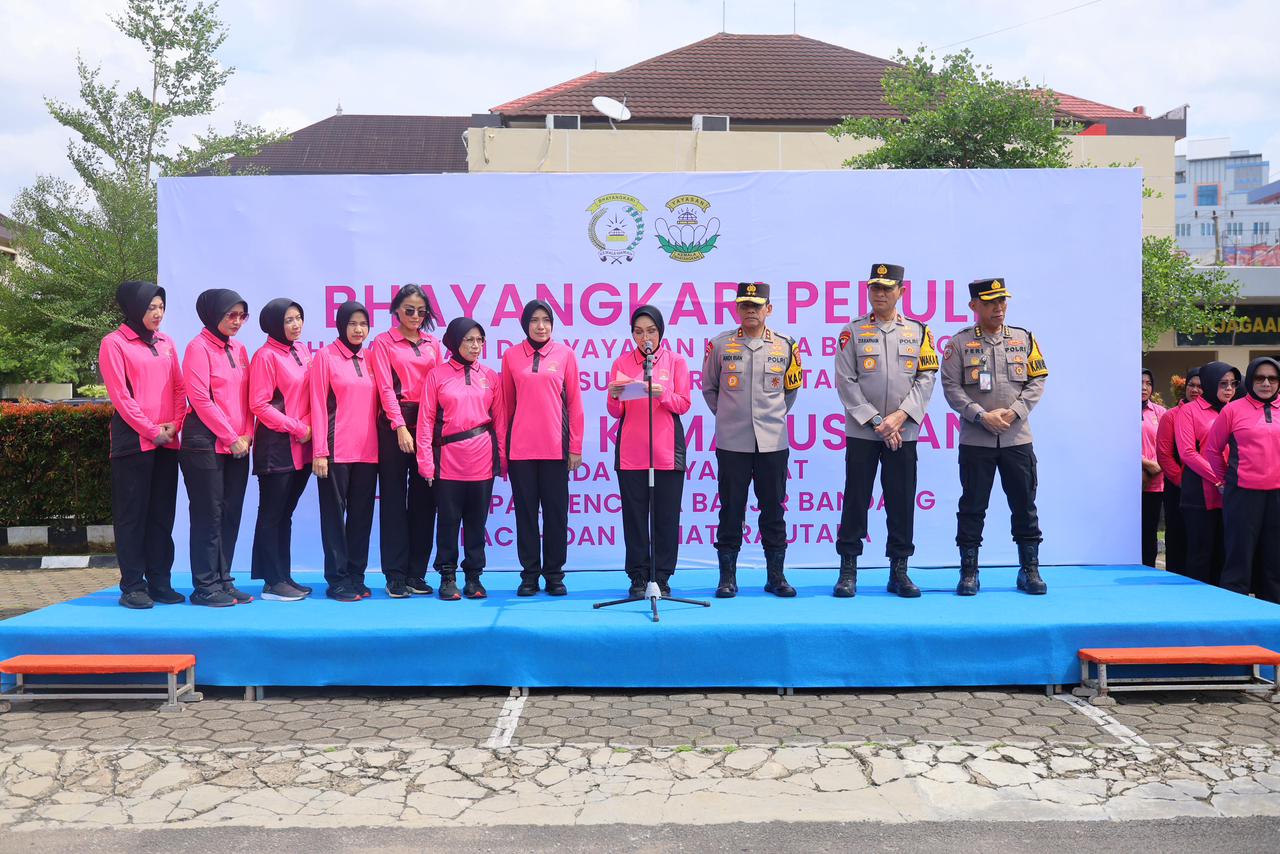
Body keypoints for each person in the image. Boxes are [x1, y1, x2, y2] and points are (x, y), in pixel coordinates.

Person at [833, 263, 940, 598]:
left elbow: (926, 378)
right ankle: (848, 570)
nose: (879, 294)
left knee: (901, 500)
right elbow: (845, 381)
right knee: (855, 499)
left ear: (901, 292)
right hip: (865, 432)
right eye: (874, 288)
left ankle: (900, 571)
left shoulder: (920, 331)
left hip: (903, 432)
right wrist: (878, 421)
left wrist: (900, 417)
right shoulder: (852, 331)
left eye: (886, 288)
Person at [940, 278, 1049, 595]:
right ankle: (969, 572)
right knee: (972, 507)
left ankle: (1030, 569)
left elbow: (1037, 381)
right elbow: (951, 388)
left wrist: (1014, 411)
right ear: (974, 306)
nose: (998, 308)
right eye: (990, 303)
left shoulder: (1024, 339)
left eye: (1002, 301)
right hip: (977, 440)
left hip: (1017, 439)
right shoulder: (958, 344)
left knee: (1025, 505)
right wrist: (980, 415)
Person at [702, 281, 803, 598]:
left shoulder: (786, 345)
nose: (750, 311)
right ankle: (727, 578)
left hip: (773, 442)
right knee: (731, 509)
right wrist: (732, 417)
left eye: (756, 306)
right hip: (733, 442)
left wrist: (767, 417)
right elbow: (710, 388)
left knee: (774, 510)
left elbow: (791, 389)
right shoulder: (720, 345)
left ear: (768, 309)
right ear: (737, 309)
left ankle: (776, 576)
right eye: (744, 305)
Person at [99, 281, 186, 609]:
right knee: (132, 516)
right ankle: (133, 585)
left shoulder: (167, 342)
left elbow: (179, 388)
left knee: (162, 515)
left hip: (167, 442)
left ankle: (160, 581)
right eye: (151, 307)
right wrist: (151, 430)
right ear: (135, 308)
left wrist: (175, 424)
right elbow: (121, 396)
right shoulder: (114, 343)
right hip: (133, 443)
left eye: (161, 307)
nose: (158, 313)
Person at [417, 317, 505, 601]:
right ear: (454, 342)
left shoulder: (491, 376)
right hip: (448, 461)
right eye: (469, 340)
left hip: (482, 459)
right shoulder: (437, 375)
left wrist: (502, 459)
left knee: (477, 523)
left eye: (480, 340)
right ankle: (447, 576)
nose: (476, 346)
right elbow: (425, 421)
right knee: (448, 522)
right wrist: (426, 461)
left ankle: (474, 577)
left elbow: (500, 421)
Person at [606, 305, 692, 597]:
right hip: (632, 453)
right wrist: (616, 395)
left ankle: (663, 578)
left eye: (651, 331)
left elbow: (683, 403)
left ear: (660, 332)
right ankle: (638, 577)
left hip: (667, 453)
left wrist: (662, 393)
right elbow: (615, 411)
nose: (646, 337)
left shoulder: (675, 361)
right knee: (634, 519)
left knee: (666, 518)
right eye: (639, 332)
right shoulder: (622, 362)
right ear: (632, 334)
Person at [501, 299, 584, 597]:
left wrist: (575, 446)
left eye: (546, 320)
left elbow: (574, 404)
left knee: (556, 514)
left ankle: (554, 574)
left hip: (555, 449)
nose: (541, 326)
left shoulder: (565, 355)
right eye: (535, 320)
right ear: (525, 324)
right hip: (521, 450)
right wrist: (503, 450)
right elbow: (506, 407)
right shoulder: (511, 356)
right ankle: (529, 575)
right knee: (525, 514)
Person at [180, 289, 254, 607]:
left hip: (238, 444)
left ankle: (223, 579)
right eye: (230, 315)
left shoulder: (239, 349)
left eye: (241, 315)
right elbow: (200, 399)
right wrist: (230, 435)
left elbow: (250, 396)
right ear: (213, 315)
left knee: (230, 514)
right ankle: (205, 585)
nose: (236, 322)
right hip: (205, 444)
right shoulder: (197, 348)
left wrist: (248, 434)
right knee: (208, 515)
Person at [369, 285, 440, 598]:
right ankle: (395, 574)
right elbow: (385, 388)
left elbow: (439, 386)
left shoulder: (433, 344)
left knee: (426, 499)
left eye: (421, 311)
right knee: (395, 500)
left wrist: (429, 427)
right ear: (396, 310)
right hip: (394, 423)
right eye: (409, 310)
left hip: (428, 424)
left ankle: (417, 572)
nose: (415, 316)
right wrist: (399, 426)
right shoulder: (383, 343)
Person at [310, 300, 378, 602]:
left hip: (369, 452)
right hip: (336, 451)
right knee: (335, 518)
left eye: (363, 324)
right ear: (341, 325)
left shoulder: (372, 358)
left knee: (362, 517)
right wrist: (320, 451)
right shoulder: (325, 357)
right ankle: (337, 579)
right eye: (352, 323)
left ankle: (356, 575)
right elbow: (317, 405)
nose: (358, 329)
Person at [247, 298, 313, 601]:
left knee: (286, 513)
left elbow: (314, 392)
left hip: (302, 445)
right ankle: (271, 582)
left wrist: (309, 426)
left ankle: (283, 575)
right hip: (277, 445)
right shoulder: (265, 356)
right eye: (288, 320)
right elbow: (259, 404)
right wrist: (298, 428)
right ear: (274, 324)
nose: (296, 324)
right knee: (272, 513)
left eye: (298, 318)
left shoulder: (302, 350)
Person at [1204, 356, 1280, 603]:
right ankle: (1233, 613)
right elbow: (1213, 449)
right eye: (1259, 377)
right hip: (1243, 493)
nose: (1266, 383)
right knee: (1238, 557)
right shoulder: (1233, 409)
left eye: (1272, 378)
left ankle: (1272, 614)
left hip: (1277, 495)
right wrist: (1223, 479)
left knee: (1275, 558)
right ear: (1250, 379)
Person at [1175, 360, 1240, 586]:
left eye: (1233, 384)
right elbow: (1187, 452)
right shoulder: (1189, 411)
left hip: (1233, 491)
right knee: (1201, 555)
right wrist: (1218, 478)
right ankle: (1197, 611)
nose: (1229, 389)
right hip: (1200, 492)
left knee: (1226, 554)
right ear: (1210, 384)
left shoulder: (1235, 409)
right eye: (1223, 384)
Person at [1156, 369, 1201, 576]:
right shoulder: (1171, 416)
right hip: (1179, 488)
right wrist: (1185, 481)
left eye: (1200, 386)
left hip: (1210, 488)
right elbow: (1164, 455)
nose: (1195, 390)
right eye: (1191, 385)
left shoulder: (1218, 413)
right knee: (1178, 537)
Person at [1140, 368, 1167, 567]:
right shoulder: (1120, 411)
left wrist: (1158, 466)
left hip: (1156, 480)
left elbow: (1167, 443)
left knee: (1149, 529)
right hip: (1130, 481)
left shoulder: (1159, 412)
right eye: (1140, 382)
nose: (1144, 387)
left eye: (1148, 383)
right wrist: (1146, 463)